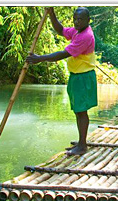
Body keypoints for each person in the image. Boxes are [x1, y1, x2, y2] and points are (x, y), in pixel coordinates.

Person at [26, 7, 97, 156]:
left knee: (81, 111)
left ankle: (83, 146)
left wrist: (40, 59)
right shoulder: (77, 31)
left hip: (83, 77)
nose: (77, 22)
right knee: (78, 110)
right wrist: (52, 14)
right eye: (75, 19)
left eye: (80, 19)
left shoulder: (86, 36)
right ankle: (81, 142)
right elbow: (61, 30)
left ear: (88, 21)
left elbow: (63, 54)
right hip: (77, 75)